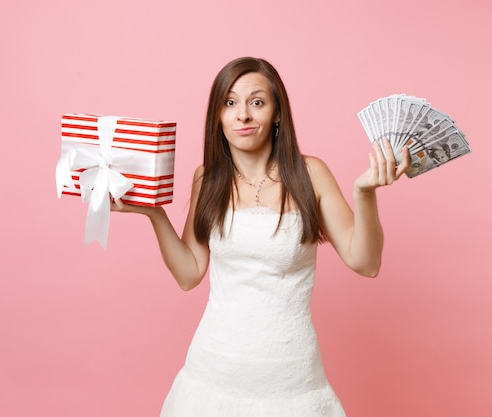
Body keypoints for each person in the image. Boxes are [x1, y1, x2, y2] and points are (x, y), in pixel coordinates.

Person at [111, 57, 410, 416]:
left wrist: (365, 193)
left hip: (291, 376)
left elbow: (366, 263)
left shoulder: (310, 173)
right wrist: (154, 213)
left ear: (277, 112)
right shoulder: (207, 177)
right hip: (213, 369)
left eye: (257, 102)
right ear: (218, 115)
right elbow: (189, 274)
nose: (243, 116)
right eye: (230, 102)